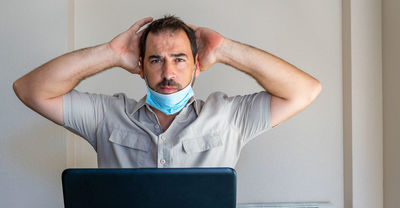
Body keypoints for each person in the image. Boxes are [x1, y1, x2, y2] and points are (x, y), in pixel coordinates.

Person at [13, 15, 321, 168]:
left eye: (179, 59)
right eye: (156, 60)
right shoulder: (106, 116)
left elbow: (304, 90)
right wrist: (110, 53)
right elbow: (30, 90)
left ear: (197, 65)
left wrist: (226, 50)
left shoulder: (229, 117)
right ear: (141, 66)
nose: (168, 73)